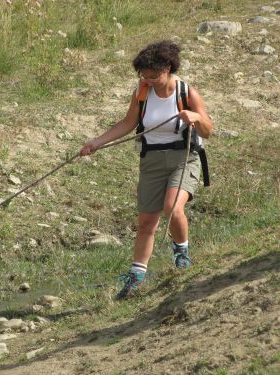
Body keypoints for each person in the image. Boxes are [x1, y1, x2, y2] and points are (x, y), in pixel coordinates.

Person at [80, 40, 212, 300]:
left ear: (168, 68)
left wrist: (196, 118)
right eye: (144, 76)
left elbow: (208, 129)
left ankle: (182, 255)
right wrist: (96, 142)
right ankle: (136, 278)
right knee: (146, 223)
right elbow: (128, 123)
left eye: (154, 76)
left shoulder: (187, 93)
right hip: (150, 161)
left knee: (173, 208)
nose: (149, 81)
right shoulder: (141, 93)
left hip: (183, 158)